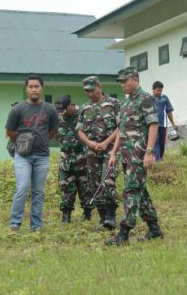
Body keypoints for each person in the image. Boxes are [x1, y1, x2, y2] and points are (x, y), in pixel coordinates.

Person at [105, 66, 163, 246]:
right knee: (140, 191)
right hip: (125, 154)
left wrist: (149, 152)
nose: (122, 85)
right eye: (120, 82)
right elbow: (120, 130)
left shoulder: (145, 99)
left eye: (125, 81)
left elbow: (153, 125)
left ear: (135, 79)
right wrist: (113, 153)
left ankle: (123, 234)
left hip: (138, 154)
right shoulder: (126, 103)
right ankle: (154, 230)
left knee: (131, 191)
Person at [6, 74, 59, 234]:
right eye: (31, 86)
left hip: (42, 156)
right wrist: (24, 142)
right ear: (26, 88)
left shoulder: (50, 109)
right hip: (23, 156)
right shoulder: (17, 110)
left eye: (37, 86)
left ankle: (35, 226)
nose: (34, 89)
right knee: (22, 188)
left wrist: (40, 141)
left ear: (42, 88)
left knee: (38, 191)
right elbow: (9, 132)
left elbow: (53, 131)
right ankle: (15, 225)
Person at [76, 76, 120, 229]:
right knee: (93, 183)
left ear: (99, 87)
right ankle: (103, 218)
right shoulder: (85, 107)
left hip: (110, 149)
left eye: (92, 90)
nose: (90, 94)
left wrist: (106, 142)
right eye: (87, 91)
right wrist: (89, 142)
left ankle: (111, 215)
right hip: (92, 151)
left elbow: (120, 127)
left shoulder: (113, 104)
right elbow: (80, 131)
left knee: (108, 180)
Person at [55, 95, 93, 223]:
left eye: (64, 110)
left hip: (83, 158)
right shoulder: (57, 118)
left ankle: (87, 214)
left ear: (71, 105)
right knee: (66, 187)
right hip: (66, 160)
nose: (62, 113)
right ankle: (66, 216)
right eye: (60, 110)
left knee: (85, 187)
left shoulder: (82, 116)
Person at [151, 81, 178, 161]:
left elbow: (169, 111)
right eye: (157, 90)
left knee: (162, 143)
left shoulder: (164, 98)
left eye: (161, 91)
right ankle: (158, 160)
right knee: (155, 141)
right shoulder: (148, 99)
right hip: (153, 125)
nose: (159, 92)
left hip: (163, 125)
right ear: (153, 90)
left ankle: (160, 158)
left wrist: (173, 123)